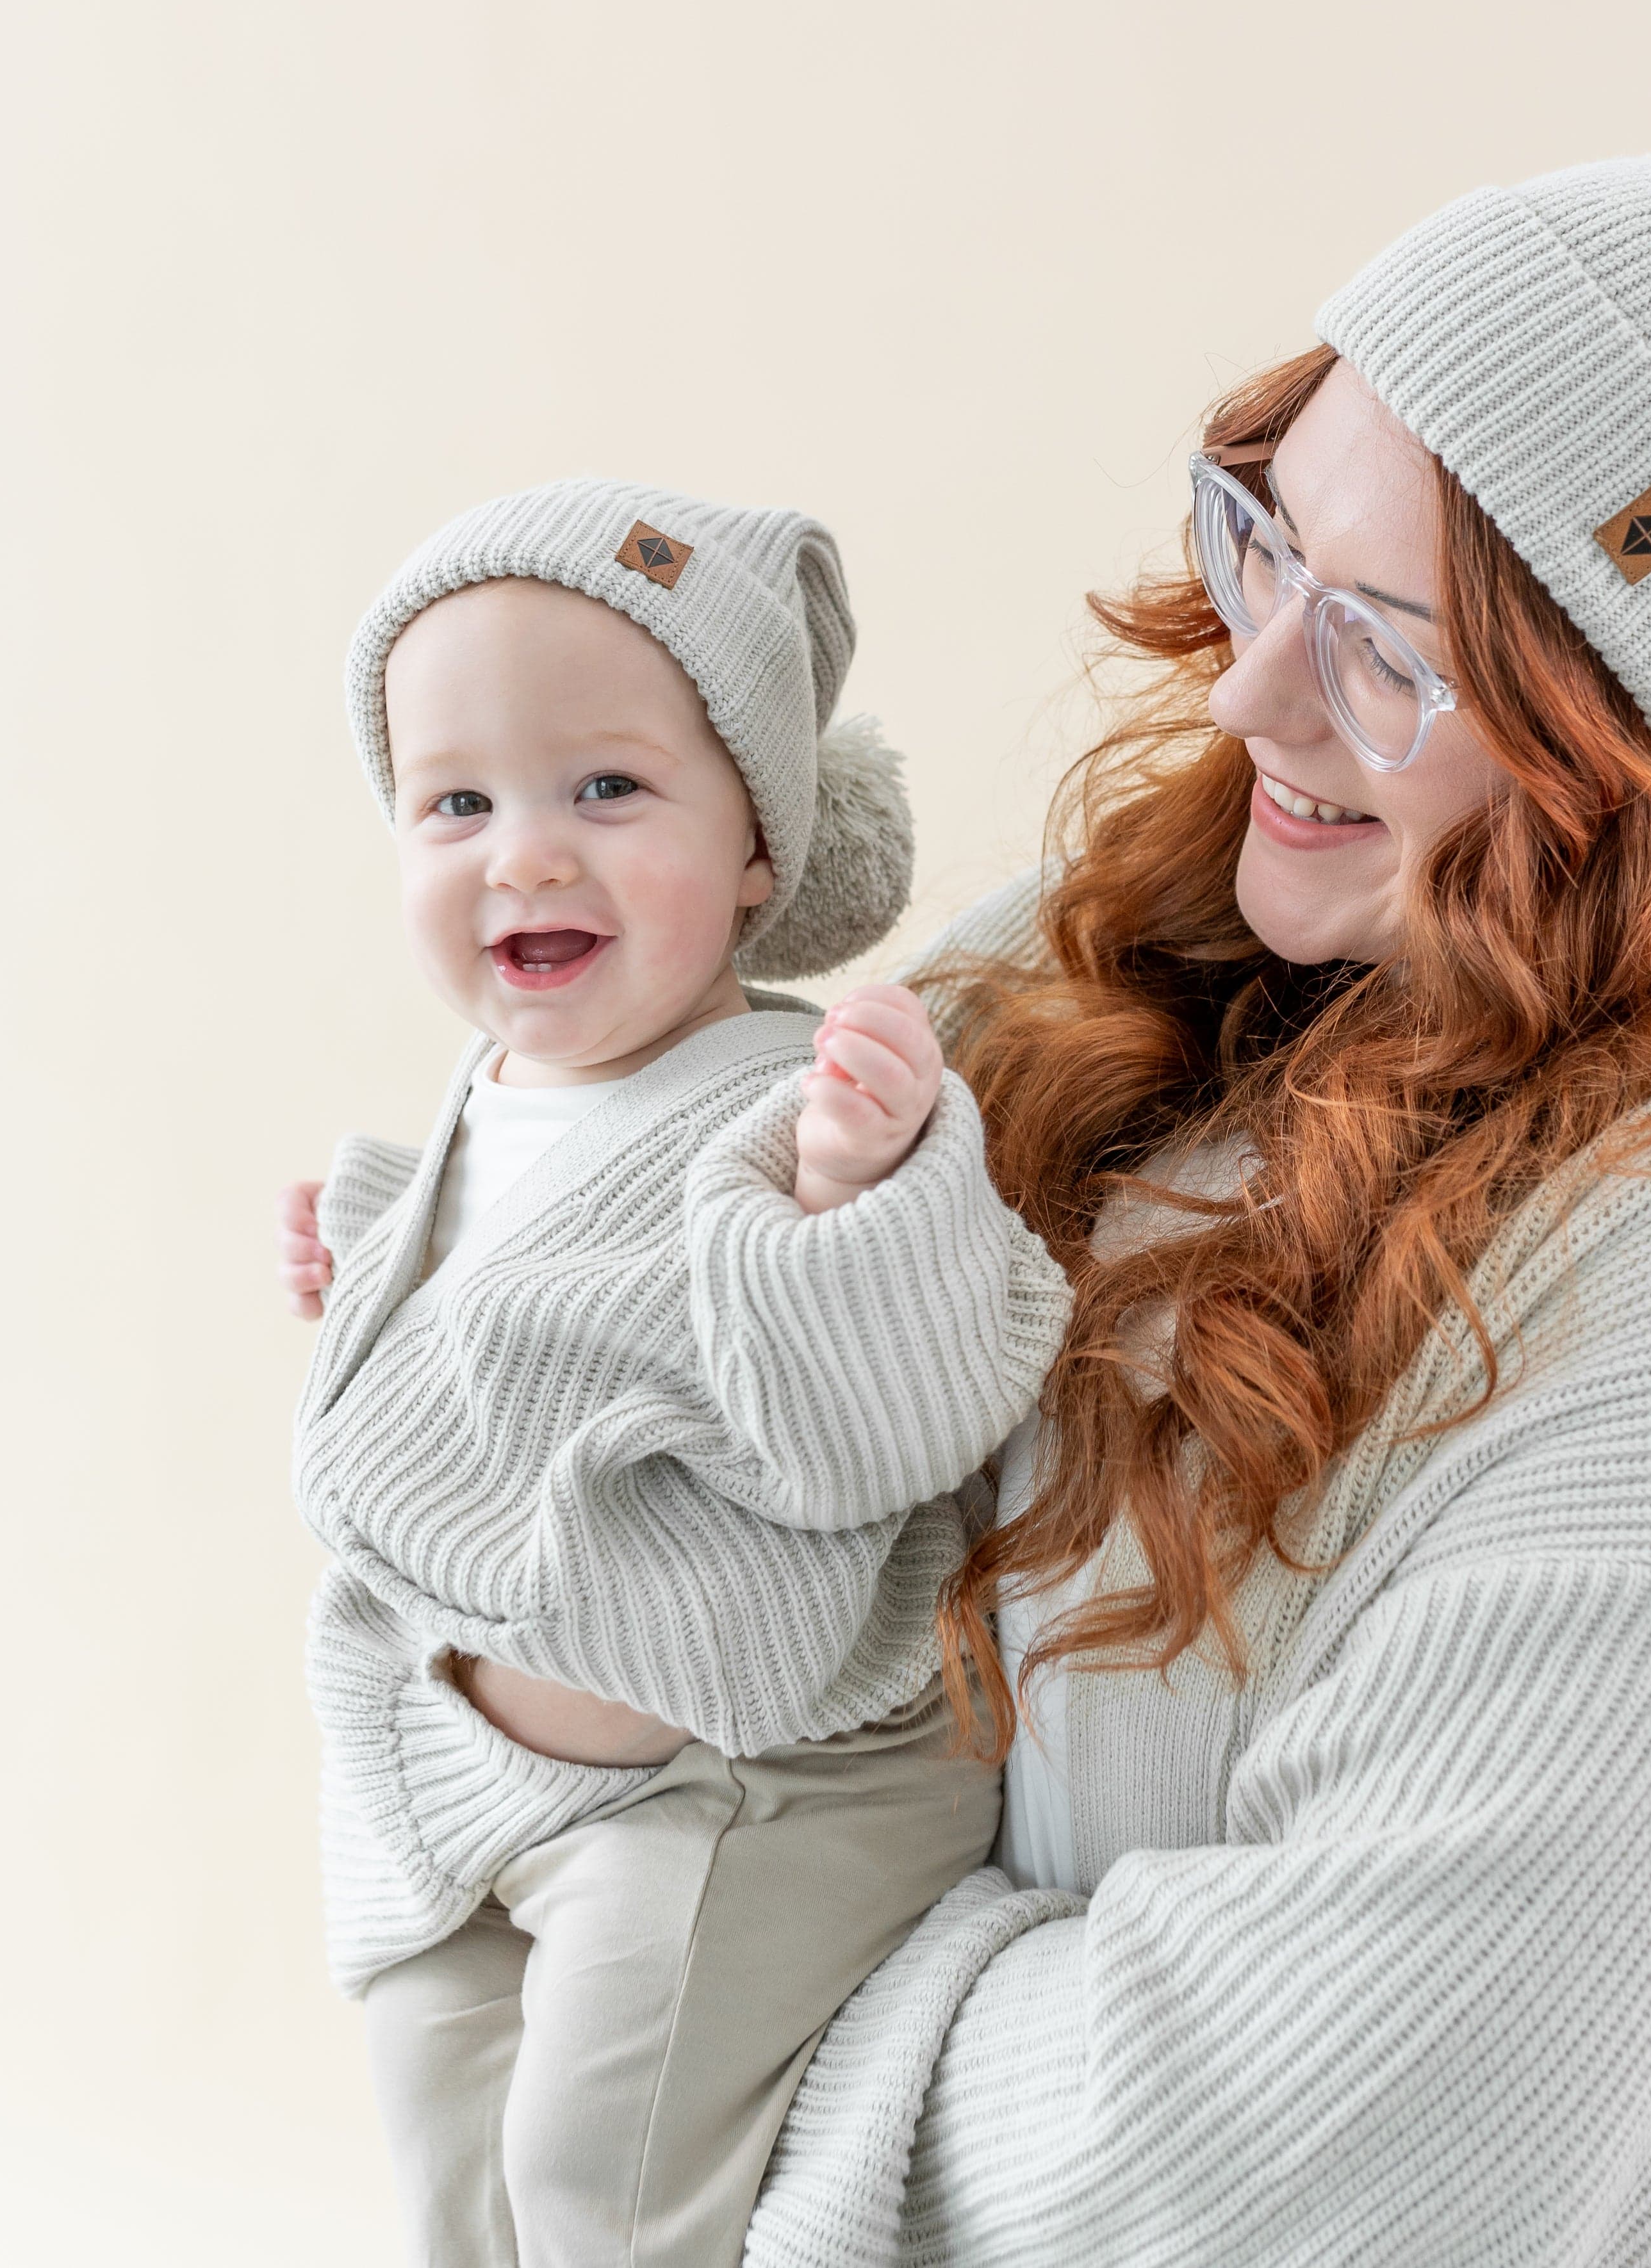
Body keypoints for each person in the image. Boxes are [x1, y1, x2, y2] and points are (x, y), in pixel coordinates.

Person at [741, 143, 1651, 2264]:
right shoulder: (1097, 992)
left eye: (1390, 653)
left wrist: (709, 2037)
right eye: (1261, 545)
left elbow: (1336, 2154)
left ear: (1640, 742)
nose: (1249, 693)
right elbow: (568, 1551)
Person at [275, 479, 1068, 2267]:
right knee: (446, 2140)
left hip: (738, 1783)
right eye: (456, 803)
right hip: (486, 1754)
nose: (525, 855)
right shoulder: (496, 1091)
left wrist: (868, 1204)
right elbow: (522, 1324)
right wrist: (375, 1251)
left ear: (760, 850)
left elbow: (892, 1405)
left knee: (601, 2184)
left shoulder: (784, 1111)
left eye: (607, 791)